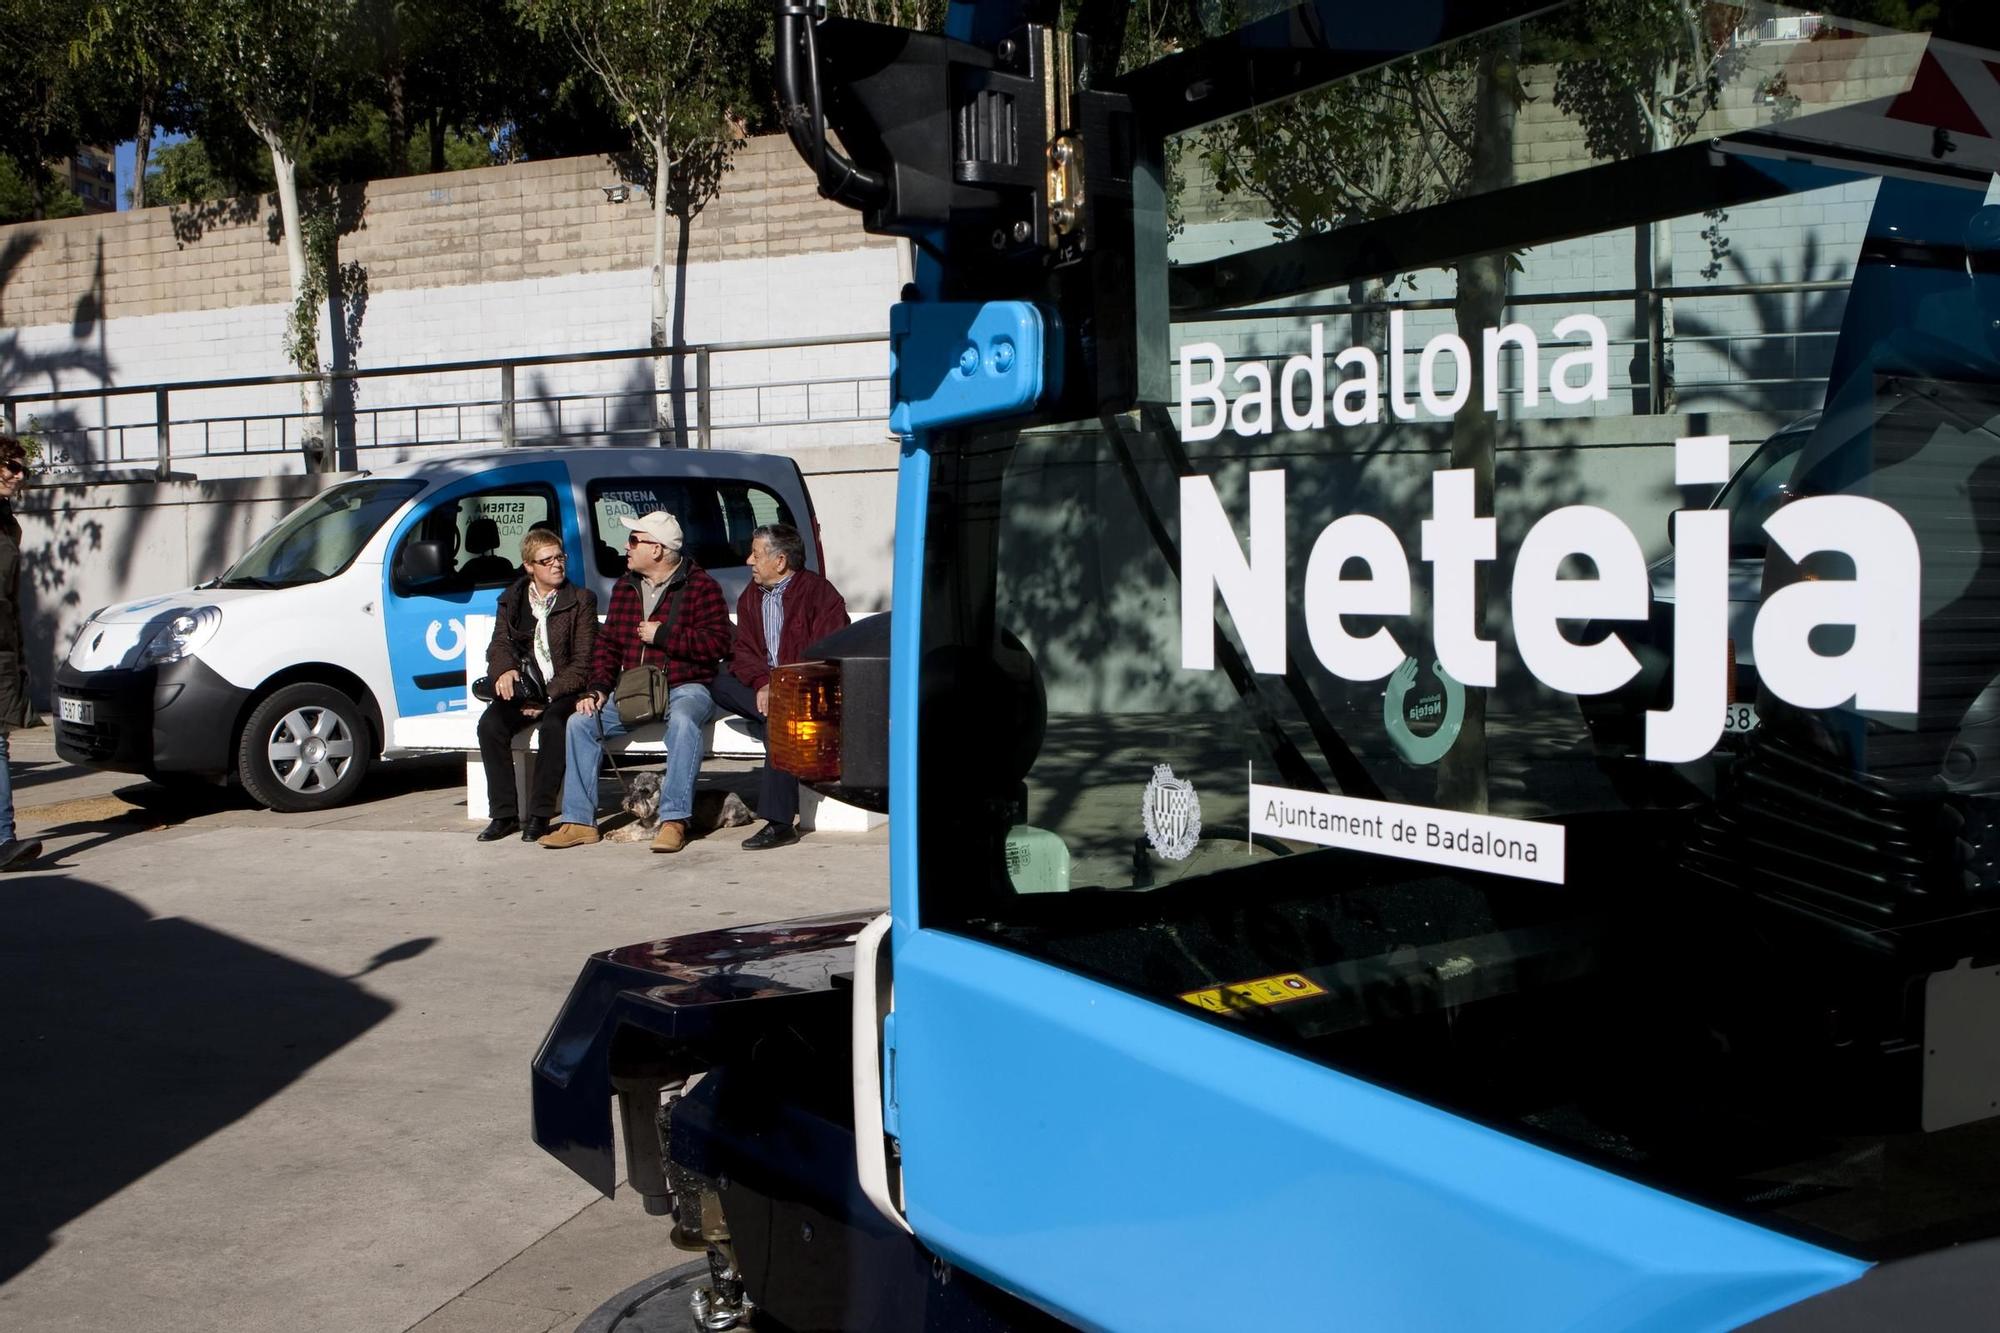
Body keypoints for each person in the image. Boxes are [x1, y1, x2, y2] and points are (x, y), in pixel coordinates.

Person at [540, 510, 730, 852]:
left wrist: (665, 636)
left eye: (633, 540)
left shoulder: (702, 586)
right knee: (579, 723)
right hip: (633, 690)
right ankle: (580, 821)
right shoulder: (625, 588)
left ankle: (673, 820)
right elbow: (608, 646)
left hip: (686, 685)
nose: (625, 547)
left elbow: (717, 644)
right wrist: (597, 689)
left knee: (685, 723)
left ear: (656, 549)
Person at [710, 523, 850, 849]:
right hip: (769, 688)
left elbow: (827, 653)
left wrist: (782, 687)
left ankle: (779, 822)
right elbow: (743, 652)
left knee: (781, 718)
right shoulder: (750, 597)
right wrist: (763, 684)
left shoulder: (819, 594)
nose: (749, 561)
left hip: (808, 689)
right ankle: (774, 710)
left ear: (781, 560)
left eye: (756, 554)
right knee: (718, 679)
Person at [474, 527, 597, 842]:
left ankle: (540, 815)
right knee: (490, 725)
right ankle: (503, 815)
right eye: (547, 560)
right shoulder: (512, 600)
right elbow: (499, 644)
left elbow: (583, 662)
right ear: (529, 566)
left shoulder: (581, 600)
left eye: (560, 557)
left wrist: (546, 697)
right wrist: (503, 670)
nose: (557, 565)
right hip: (526, 690)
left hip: (563, 690)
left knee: (555, 725)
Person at [0, 437, 38, 870]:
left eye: (21, 467)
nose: (18, 474)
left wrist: (19, 654)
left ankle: (4, 839)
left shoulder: (8, 523)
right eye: (10, 465)